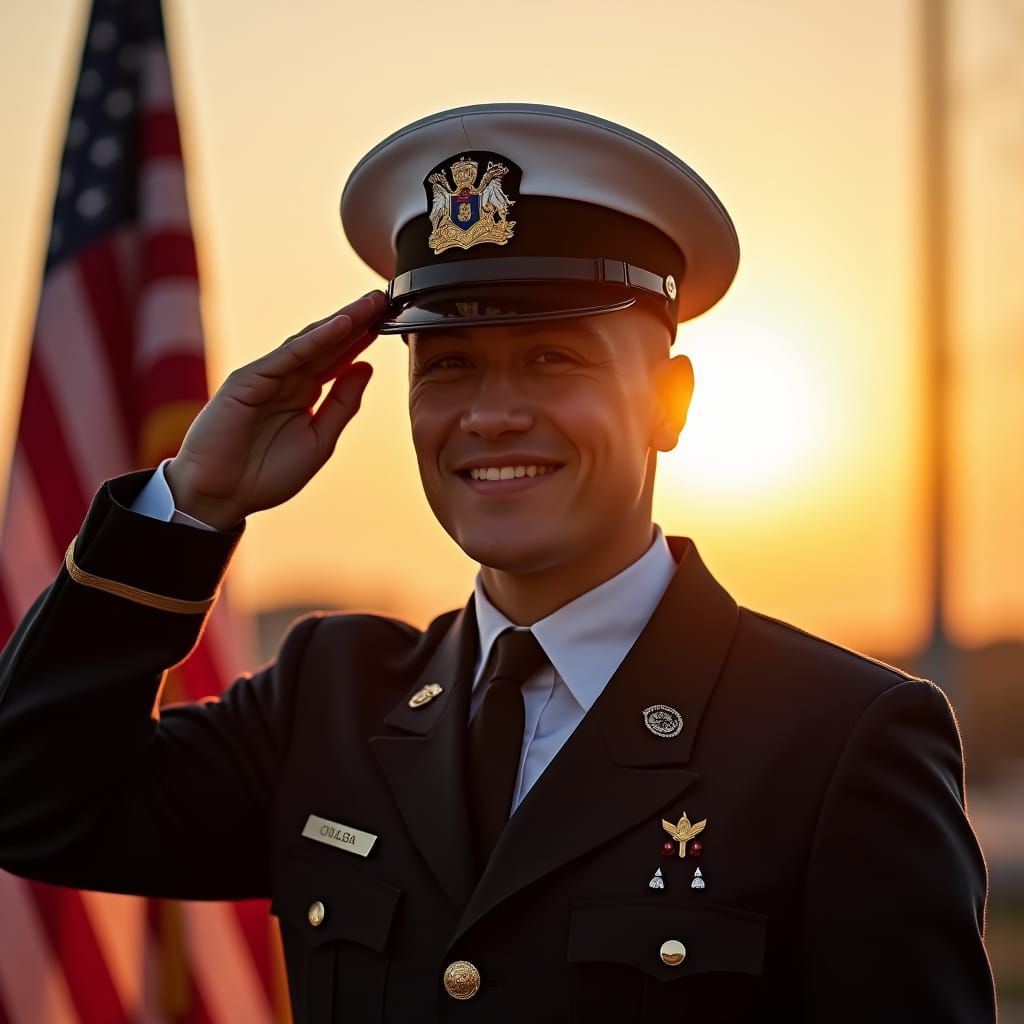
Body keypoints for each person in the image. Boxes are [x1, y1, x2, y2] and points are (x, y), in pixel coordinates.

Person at [0, 104, 996, 1022]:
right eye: (448, 368)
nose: (489, 415)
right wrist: (191, 506)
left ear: (668, 402)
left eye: (552, 358)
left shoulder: (835, 742)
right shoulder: (331, 702)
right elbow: (35, 800)